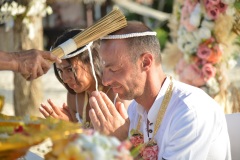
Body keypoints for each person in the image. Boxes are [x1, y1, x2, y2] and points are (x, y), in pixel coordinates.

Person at [88, 21, 231, 159]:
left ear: (145, 62)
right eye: (104, 70)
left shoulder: (190, 111)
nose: (105, 81)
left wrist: (123, 143)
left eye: (113, 69)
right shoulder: (134, 110)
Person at [39, 29, 131, 127]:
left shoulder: (118, 95)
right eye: (60, 71)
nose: (65, 79)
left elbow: (129, 138)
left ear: (91, 62)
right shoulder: (74, 97)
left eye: (70, 70)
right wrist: (68, 125)